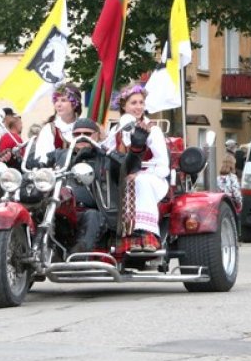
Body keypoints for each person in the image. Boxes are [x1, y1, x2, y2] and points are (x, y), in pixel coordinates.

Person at [103, 84, 170, 252]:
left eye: (141, 102)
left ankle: (146, 235)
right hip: (123, 176)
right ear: (124, 106)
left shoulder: (152, 130)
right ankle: (114, 236)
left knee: (138, 183)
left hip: (152, 178)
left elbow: (162, 164)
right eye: (134, 103)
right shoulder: (117, 130)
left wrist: (138, 172)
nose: (138, 106)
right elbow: (106, 150)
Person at [40, 118, 110, 253]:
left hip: (86, 211)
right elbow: (38, 162)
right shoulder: (60, 154)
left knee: (92, 216)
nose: (81, 137)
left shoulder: (104, 156)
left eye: (87, 134)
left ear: (97, 135)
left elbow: (126, 164)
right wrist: (14, 158)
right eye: (77, 134)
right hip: (60, 208)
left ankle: (78, 255)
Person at [34, 82, 82, 164]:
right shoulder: (49, 129)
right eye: (56, 100)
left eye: (63, 100)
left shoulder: (84, 127)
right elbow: (42, 159)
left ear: (74, 104)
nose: (58, 104)